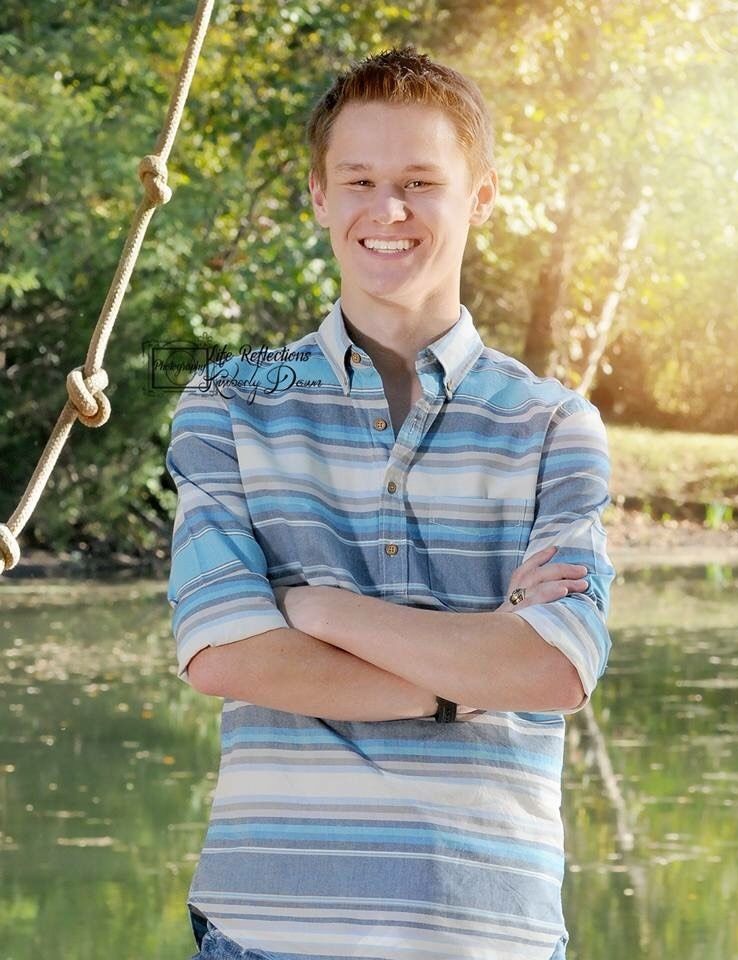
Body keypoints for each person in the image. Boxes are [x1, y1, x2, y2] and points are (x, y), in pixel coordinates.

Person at [166, 46, 614, 960]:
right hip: (269, 930)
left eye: (420, 182)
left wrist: (317, 609)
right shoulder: (227, 401)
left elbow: (553, 670)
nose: (388, 210)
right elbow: (222, 652)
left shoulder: (554, 424)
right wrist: (467, 678)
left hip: (488, 933)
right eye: (360, 181)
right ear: (318, 197)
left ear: (480, 196)